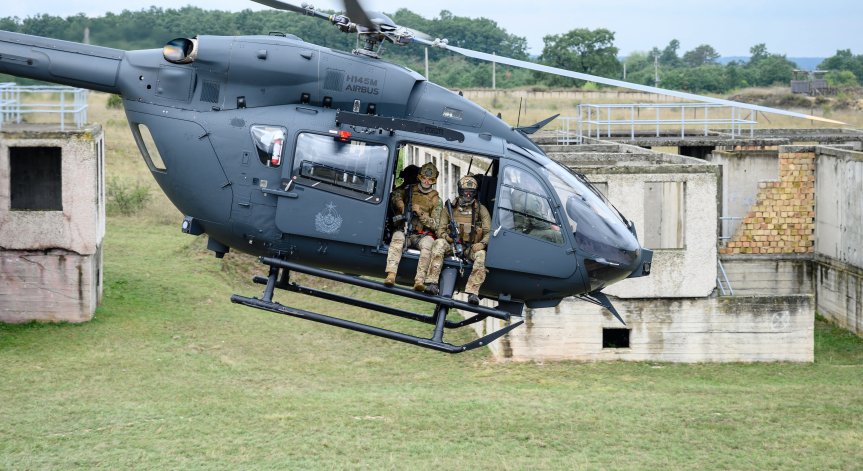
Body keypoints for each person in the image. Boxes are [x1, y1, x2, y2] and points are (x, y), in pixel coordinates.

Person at [426, 176, 491, 305]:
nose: (468, 194)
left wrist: (482, 244)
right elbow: (440, 230)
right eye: (465, 191)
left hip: (470, 248)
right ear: (460, 191)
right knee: (438, 243)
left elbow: (489, 232)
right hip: (452, 246)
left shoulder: (480, 209)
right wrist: (448, 238)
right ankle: (432, 283)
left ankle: (473, 293)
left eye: (471, 192)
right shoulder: (449, 208)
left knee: (482, 256)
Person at [384, 162, 442, 291]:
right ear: (419, 177)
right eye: (424, 178)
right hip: (404, 230)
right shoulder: (409, 190)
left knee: (428, 246)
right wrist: (401, 205)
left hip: (422, 235)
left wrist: (421, 213)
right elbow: (395, 195)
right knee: (397, 238)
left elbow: (436, 224)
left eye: (430, 179)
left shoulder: (436, 200)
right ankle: (391, 274)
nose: (426, 182)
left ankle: (419, 280)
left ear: (434, 181)